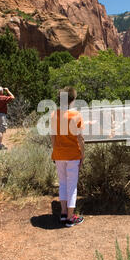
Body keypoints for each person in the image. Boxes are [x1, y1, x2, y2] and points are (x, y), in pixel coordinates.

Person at [51, 87, 85, 228]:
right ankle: (71, 218)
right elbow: (81, 138)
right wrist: (82, 155)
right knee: (72, 185)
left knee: (63, 183)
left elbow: (52, 137)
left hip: (59, 154)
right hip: (72, 155)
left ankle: (64, 213)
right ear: (73, 99)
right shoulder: (76, 115)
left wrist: (55, 151)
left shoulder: (54, 115)